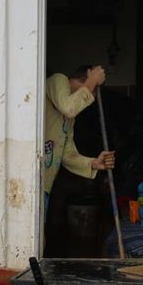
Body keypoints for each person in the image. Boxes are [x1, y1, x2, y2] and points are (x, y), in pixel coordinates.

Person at [42, 64, 116, 256]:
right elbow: (69, 107)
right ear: (83, 79)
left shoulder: (69, 118)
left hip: (45, 185)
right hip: (33, 181)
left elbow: (67, 153)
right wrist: (92, 82)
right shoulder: (59, 79)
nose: (91, 96)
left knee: (39, 238)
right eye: (92, 91)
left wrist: (93, 163)